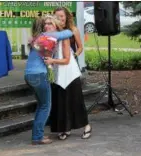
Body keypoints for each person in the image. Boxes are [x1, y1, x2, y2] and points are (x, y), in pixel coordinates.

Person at [44, 7, 92, 140]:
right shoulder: (53, 33)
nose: (59, 18)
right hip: (58, 70)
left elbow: (80, 46)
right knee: (61, 101)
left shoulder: (71, 30)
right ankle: (65, 128)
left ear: (66, 17)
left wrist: (74, 55)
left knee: (76, 101)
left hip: (69, 68)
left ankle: (86, 125)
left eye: (61, 16)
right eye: (56, 16)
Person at [24, 16, 73, 145]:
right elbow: (69, 32)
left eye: (50, 23)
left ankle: (37, 135)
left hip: (30, 75)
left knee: (41, 105)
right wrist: (63, 25)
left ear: (54, 25)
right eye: (45, 23)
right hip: (39, 76)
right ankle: (37, 137)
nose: (47, 25)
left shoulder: (39, 37)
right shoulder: (50, 36)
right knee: (46, 106)